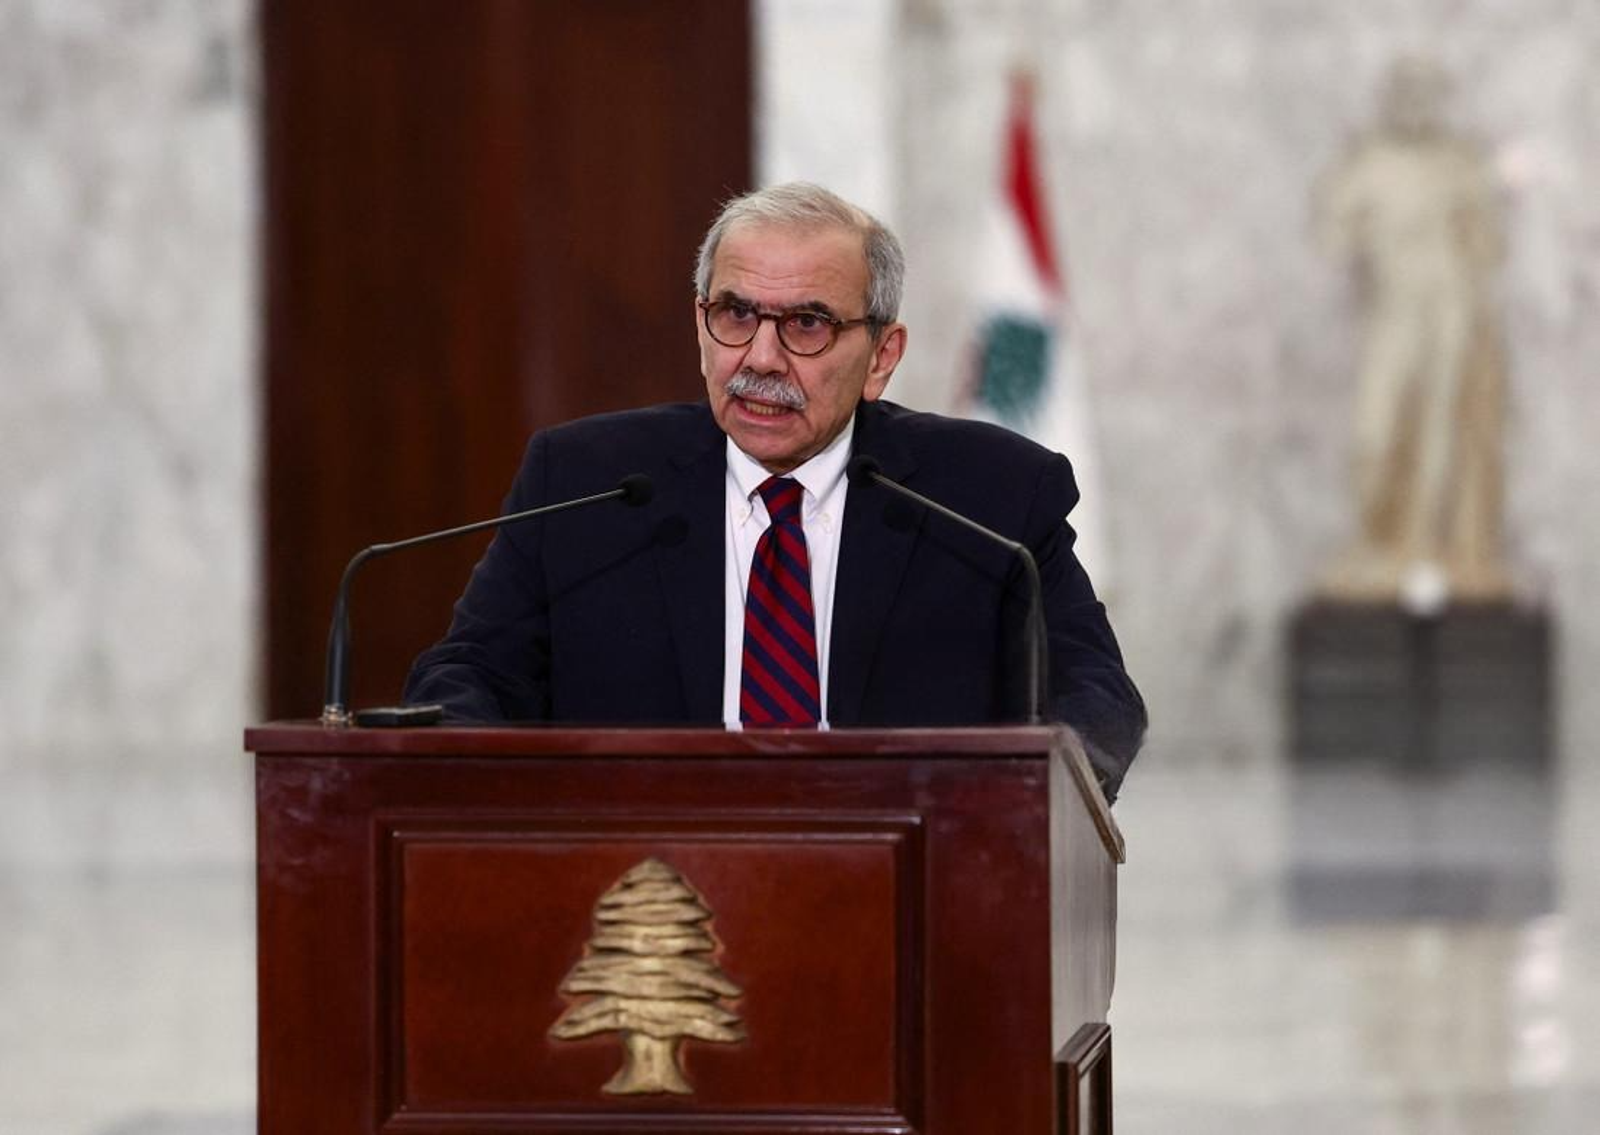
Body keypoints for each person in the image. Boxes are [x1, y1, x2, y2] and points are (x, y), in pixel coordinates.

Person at [404, 183, 1145, 799]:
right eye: (735, 315)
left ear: (881, 356)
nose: (760, 357)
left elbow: (1096, 698)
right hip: (639, 892)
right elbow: (465, 674)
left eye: (807, 324)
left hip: (910, 881)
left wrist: (1011, 809)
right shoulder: (584, 482)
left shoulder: (991, 496)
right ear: (700, 326)